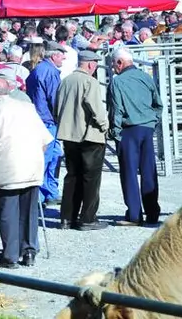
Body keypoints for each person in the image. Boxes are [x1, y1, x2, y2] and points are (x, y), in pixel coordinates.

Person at [0, 77, 54, 268]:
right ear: (8, 91)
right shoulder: (27, 107)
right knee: (29, 211)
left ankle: (10, 256)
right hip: (32, 166)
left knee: (8, 212)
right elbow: (45, 142)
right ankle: (29, 252)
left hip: (6, 169)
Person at [55, 50, 109, 231]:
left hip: (68, 136)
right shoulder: (90, 82)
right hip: (89, 136)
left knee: (72, 177)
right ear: (91, 64)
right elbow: (96, 108)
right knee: (91, 179)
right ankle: (87, 218)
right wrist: (104, 125)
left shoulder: (65, 81)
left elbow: (57, 108)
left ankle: (66, 218)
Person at [109, 46, 162, 226]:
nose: (113, 68)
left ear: (119, 63)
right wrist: (152, 122)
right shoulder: (146, 77)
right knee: (149, 171)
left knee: (129, 172)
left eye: (113, 64)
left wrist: (115, 132)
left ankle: (134, 214)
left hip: (128, 129)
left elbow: (116, 110)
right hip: (147, 128)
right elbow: (158, 104)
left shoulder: (118, 82)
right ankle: (152, 212)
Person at [26, 40, 66, 206]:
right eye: (62, 56)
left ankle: (49, 192)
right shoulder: (50, 72)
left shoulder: (37, 70)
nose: (63, 60)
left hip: (40, 118)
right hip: (48, 120)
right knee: (47, 158)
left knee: (53, 156)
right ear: (55, 55)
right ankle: (40, 195)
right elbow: (55, 99)